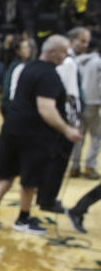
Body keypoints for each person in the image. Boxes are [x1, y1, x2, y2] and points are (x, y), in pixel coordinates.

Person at [0, 35, 82, 234]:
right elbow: (46, 108)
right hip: (32, 134)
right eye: (64, 51)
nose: (65, 56)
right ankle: (23, 219)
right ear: (53, 52)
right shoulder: (49, 75)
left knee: (7, 173)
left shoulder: (28, 67)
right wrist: (67, 129)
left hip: (11, 127)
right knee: (29, 179)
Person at [40, 27, 90, 212]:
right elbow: (68, 94)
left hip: (66, 114)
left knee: (56, 160)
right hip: (66, 116)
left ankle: (47, 197)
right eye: (82, 41)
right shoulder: (68, 63)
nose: (85, 45)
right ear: (71, 41)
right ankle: (48, 199)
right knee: (58, 161)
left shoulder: (70, 62)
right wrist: (72, 122)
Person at [69, 32, 100, 180]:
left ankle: (74, 167)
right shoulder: (98, 63)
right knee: (96, 136)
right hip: (95, 103)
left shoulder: (77, 60)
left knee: (79, 135)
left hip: (79, 102)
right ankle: (90, 166)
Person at [0, 38, 34, 116]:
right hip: (14, 105)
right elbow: (9, 87)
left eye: (28, 47)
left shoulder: (30, 64)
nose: (28, 50)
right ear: (18, 51)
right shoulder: (15, 66)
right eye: (24, 47)